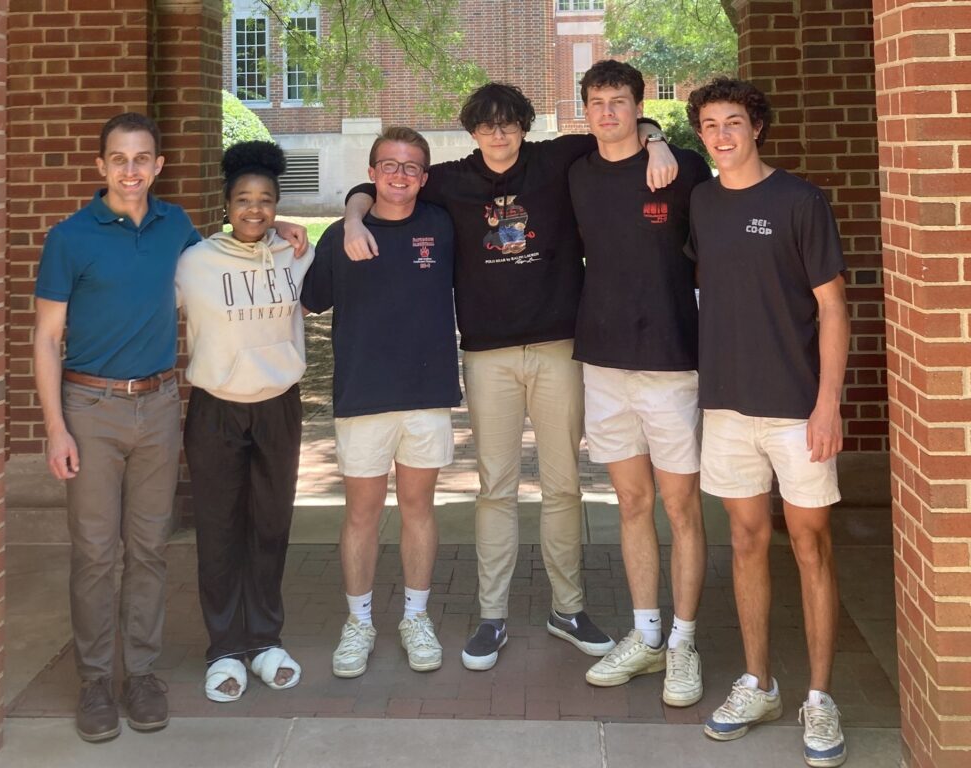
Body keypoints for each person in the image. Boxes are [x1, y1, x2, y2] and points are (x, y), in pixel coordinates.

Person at [343, 82, 679, 671]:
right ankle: (491, 615)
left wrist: (657, 140)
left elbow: (620, 133)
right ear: (473, 131)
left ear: (525, 125)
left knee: (563, 484)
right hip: (487, 354)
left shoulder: (557, 158)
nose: (498, 134)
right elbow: (378, 187)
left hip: (558, 346)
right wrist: (350, 215)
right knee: (494, 487)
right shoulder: (449, 179)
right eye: (487, 125)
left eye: (509, 123)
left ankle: (567, 609)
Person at [33, 113, 307, 742]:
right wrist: (55, 427)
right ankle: (98, 682)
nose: (131, 170)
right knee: (98, 553)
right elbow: (46, 338)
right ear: (101, 165)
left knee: (151, 550)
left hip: (158, 403)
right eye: (119, 159)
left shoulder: (176, 228)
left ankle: (143, 676)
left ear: (158, 166)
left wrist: (282, 225)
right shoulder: (69, 237)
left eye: (142, 159)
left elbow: (236, 248)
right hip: (91, 406)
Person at [685, 78, 849, 768]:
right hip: (725, 406)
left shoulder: (800, 201)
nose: (722, 136)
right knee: (746, 542)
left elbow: (834, 310)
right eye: (710, 126)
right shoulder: (700, 201)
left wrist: (828, 404)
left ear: (757, 128)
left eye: (734, 123)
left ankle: (819, 696)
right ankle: (760, 683)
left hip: (796, 409)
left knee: (811, 545)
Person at [569, 60, 711, 708]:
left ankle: (684, 642)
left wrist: (660, 143)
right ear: (586, 109)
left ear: (638, 106)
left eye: (619, 102)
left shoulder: (680, 169)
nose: (607, 112)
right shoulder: (576, 174)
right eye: (596, 102)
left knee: (680, 508)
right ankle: (647, 632)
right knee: (630, 505)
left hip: (671, 363)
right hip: (603, 365)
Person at [302, 127, 461, 679]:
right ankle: (360, 621)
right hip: (363, 394)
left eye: (412, 167)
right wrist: (339, 223)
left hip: (426, 393)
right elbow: (308, 301)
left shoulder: (441, 225)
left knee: (419, 509)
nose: (400, 175)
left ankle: (416, 618)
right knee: (362, 514)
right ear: (371, 172)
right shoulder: (341, 237)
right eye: (389, 165)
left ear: (424, 176)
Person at [177, 141, 313, 702]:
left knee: (271, 526)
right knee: (219, 528)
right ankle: (224, 648)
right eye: (243, 200)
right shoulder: (194, 264)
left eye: (266, 201)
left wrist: (297, 230)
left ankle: (264, 640)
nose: (254, 210)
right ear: (226, 204)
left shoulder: (296, 254)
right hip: (216, 408)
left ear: (277, 206)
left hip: (279, 404)